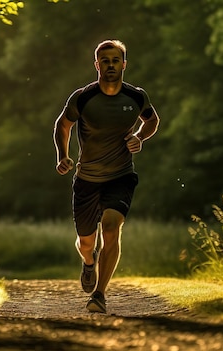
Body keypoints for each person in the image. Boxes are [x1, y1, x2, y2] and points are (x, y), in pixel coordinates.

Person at [53, 39, 160, 313]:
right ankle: (89, 262)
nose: (110, 65)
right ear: (96, 65)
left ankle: (99, 294)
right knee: (86, 243)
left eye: (115, 60)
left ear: (124, 64)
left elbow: (152, 120)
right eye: (105, 60)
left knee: (112, 228)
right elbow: (62, 125)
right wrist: (62, 156)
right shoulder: (83, 97)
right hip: (87, 179)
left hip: (121, 176)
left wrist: (139, 137)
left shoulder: (136, 97)